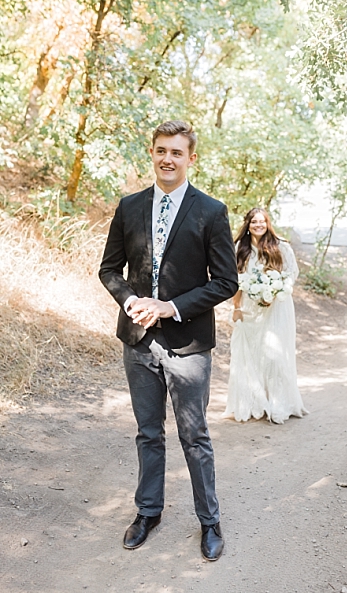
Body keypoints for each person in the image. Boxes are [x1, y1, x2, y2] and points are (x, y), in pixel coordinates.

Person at [98, 120, 235, 561]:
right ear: (152, 153)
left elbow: (225, 282)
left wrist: (170, 307)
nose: (167, 158)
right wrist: (131, 299)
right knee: (147, 433)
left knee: (194, 435)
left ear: (191, 158)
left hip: (188, 343)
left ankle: (210, 522)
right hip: (137, 340)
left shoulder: (211, 211)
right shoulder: (129, 206)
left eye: (177, 152)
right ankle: (148, 512)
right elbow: (109, 270)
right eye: (161, 150)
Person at [223, 207, 307, 424]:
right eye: (253, 222)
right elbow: (236, 282)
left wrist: (277, 290)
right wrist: (236, 307)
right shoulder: (239, 249)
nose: (258, 225)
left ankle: (278, 402)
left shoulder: (281, 247)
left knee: (276, 354)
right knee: (251, 352)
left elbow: (291, 274)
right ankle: (253, 402)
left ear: (268, 223)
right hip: (251, 308)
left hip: (277, 307)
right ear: (248, 225)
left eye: (262, 221)